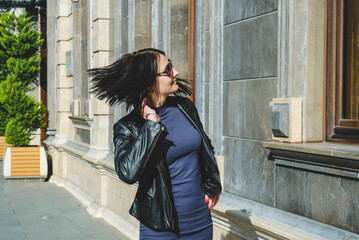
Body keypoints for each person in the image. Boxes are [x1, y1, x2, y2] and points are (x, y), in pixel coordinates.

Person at [88, 48, 221, 239]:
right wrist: (151, 125)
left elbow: (205, 148)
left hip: (198, 220)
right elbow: (127, 172)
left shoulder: (185, 108)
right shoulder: (128, 127)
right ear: (150, 81)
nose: (176, 73)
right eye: (167, 70)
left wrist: (212, 184)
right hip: (159, 228)